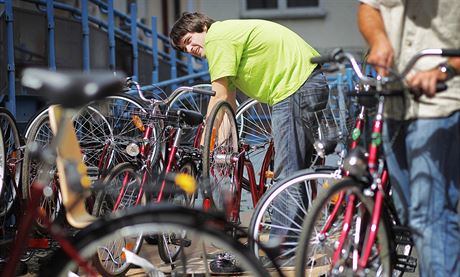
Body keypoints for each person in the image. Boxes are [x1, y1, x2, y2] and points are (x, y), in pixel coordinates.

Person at [169, 12, 329, 259]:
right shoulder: (229, 35)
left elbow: (218, 97)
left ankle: (283, 250)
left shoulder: (217, 37)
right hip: (304, 84)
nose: (190, 49)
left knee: (286, 175)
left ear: (203, 27)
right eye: (184, 48)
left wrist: (204, 142)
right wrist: (223, 140)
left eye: (190, 40)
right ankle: (293, 246)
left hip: (294, 89)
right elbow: (228, 103)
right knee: (294, 173)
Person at [358, 1, 460, 276]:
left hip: (442, 104)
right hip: (395, 102)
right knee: (411, 216)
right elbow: (369, 8)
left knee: (431, 215)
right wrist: (378, 39)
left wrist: (446, 69)